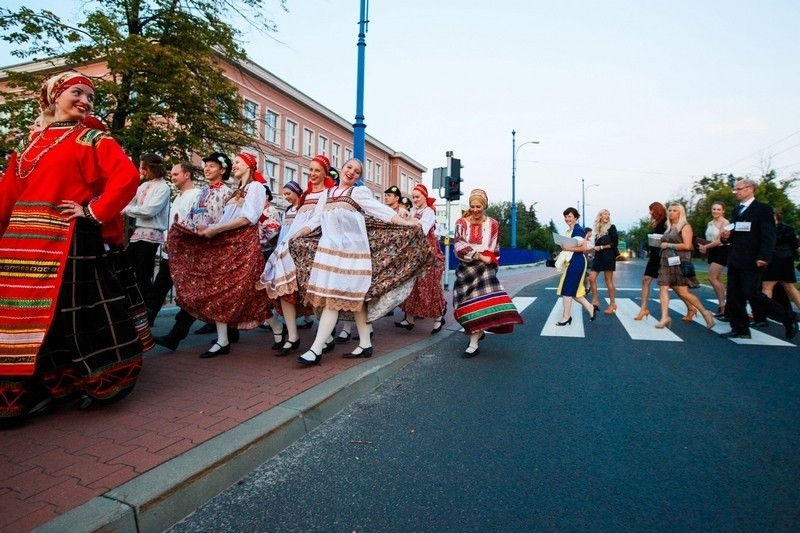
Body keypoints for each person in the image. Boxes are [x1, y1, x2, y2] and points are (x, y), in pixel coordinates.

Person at [0, 71, 149, 426]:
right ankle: (42, 389)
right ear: (54, 96)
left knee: (75, 314)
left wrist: (93, 211)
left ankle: (96, 382)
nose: (84, 100)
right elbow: (7, 195)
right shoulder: (26, 145)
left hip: (68, 237)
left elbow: (126, 176)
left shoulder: (91, 138)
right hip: (21, 245)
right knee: (21, 317)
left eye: (90, 97)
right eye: (76, 92)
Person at [295, 158, 424, 365]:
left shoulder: (357, 193)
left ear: (358, 178)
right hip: (329, 252)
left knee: (333, 299)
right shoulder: (326, 194)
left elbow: (379, 210)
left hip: (352, 254)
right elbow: (315, 219)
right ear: (342, 168)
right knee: (356, 300)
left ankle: (316, 349)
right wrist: (300, 232)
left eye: (357, 171)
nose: (351, 172)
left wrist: (406, 222)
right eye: (349, 168)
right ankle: (365, 343)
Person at [170, 152, 282, 357]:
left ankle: (278, 329)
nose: (235, 165)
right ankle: (223, 341)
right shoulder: (237, 190)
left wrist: (216, 230)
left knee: (252, 293)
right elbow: (226, 217)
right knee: (221, 290)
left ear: (249, 165)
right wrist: (208, 232)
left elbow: (249, 218)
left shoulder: (255, 187)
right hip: (229, 244)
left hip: (245, 246)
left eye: (238, 162)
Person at [152, 152, 235, 350]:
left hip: (216, 251)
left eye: (212, 166)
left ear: (222, 170)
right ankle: (178, 335)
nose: (207, 169)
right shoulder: (203, 193)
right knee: (196, 292)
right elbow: (190, 218)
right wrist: (176, 239)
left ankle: (226, 334)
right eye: (206, 166)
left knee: (208, 293)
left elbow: (229, 222)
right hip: (200, 250)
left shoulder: (228, 193)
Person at [257, 155, 334, 356]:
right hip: (293, 243)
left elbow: (319, 219)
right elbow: (298, 220)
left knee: (315, 290)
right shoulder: (306, 195)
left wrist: (302, 233)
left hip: (314, 242)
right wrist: (289, 239)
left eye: (317, 170)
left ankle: (326, 336)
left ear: (325, 172)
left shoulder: (328, 194)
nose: (313, 174)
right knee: (284, 288)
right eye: (311, 170)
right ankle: (292, 336)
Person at [720, 178, 796, 339]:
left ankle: (788, 317)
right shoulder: (736, 211)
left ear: (750, 189)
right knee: (734, 296)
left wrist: (764, 256)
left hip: (752, 259)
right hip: (735, 258)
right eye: (736, 189)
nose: (736, 192)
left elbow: (769, 235)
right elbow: (735, 233)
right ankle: (740, 329)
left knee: (753, 293)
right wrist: (726, 237)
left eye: (739, 189)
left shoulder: (762, 209)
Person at [453, 189, 524, 358]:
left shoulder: (493, 223)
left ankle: (473, 343)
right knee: (461, 304)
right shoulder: (461, 222)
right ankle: (476, 330)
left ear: (484, 206)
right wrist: (478, 256)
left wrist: (490, 260)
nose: (475, 209)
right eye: (472, 206)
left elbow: (494, 246)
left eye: (479, 206)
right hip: (466, 267)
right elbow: (458, 244)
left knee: (479, 304)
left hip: (485, 268)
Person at [143, 162, 200, 326]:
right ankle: (146, 323)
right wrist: (167, 240)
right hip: (172, 251)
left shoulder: (196, 195)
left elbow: (192, 222)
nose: (172, 177)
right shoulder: (178, 196)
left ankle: (179, 328)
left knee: (188, 291)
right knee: (159, 287)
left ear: (186, 175)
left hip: (186, 253)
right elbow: (172, 223)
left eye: (175, 174)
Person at [395, 184, 447, 334]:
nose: (415, 199)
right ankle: (409, 318)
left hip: (428, 255)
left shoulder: (429, 212)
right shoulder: (416, 211)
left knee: (429, 286)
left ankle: (438, 318)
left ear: (425, 196)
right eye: (414, 197)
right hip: (417, 253)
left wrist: (410, 222)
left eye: (417, 197)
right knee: (413, 285)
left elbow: (422, 230)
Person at [655, 203, 715, 330]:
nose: (671, 212)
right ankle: (664, 317)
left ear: (680, 212)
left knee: (683, 292)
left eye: (675, 210)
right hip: (666, 260)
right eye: (670, 210)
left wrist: (669, 245)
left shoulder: (685, 226)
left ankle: (705, 312)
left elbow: (687, 246)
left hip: (680, 261)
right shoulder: (669, 227)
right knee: (663, 288)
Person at [123, 154, 171, 298]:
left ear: (153, 168)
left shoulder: (163, 187)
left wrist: (127, 210)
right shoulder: (143, 185)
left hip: (152, 234)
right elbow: (130, 202)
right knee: (126, 268)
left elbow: (150, 210)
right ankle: (131, 301)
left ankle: (144, 306)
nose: (142, 171)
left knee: (143, 273)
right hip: (138, 233)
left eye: (144, 168)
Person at [554, 207, 597, 326]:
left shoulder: (578, 230)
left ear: (576, 218)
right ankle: (590, 308)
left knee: (567, 290)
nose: (567, 219)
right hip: (573, 262)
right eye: (566, 216)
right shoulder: (569, 231)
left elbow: (583, 248)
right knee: (574, 291)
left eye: (570, 216)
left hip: (577, 261)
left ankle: (566, 316)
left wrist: (567, 248)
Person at [759, 212, 800, 319]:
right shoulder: (788, 229)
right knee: (789, 287)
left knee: (767, 287)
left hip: (774, 260)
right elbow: (795, 245)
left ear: (777, 218)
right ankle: (762, 313)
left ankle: (761, 314)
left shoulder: (765, 230)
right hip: (786, 260)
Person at [634, 202, 668, 320]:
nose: (650, 212)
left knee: (675, 287)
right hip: (654, 255)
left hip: (662, 255)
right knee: (646, 280)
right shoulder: (656, 222)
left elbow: (668, 236)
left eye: (651, 210)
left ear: (657, 210)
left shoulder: (665, 222)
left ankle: (692, 307)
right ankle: (643, 308)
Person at [697, 202, 729, 319]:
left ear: (723, 211)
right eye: (714, 209)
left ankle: (723, 305)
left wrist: (706, 247)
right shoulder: (710, 223)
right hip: (712, 250)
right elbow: (709, 238)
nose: (716, 211)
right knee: (717, 279)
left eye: (718, 209)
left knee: (712, 277)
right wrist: (705, 247)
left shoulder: (725, 223)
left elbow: (720, 240)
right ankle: (723, 305)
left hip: (722, 250)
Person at [588, 209, 618, 315]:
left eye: (609, 214)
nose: (608, 215)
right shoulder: (597, 229)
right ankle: (595, 300)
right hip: (599, 256)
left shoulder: (611, 227)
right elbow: (593, 245)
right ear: (600, 216)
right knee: (591, 278)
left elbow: (614, 243)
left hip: (608, 255)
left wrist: (601, 247)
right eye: (605, 214)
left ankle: (612, 304)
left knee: (608, 280)